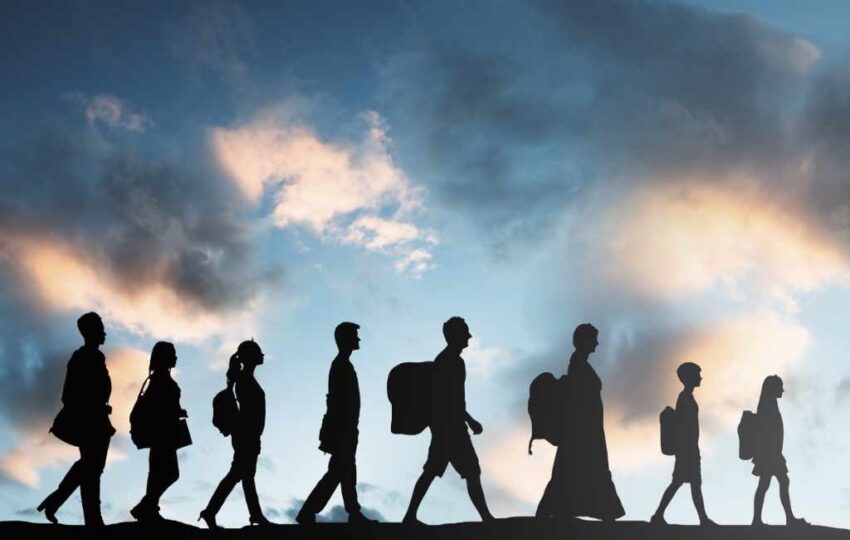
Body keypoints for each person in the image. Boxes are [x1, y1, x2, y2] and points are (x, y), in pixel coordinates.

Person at [402, 317, 494, 524]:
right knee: (471, 470)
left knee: (432, 471)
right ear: (455, 335)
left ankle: (409, 516)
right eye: (465, 332)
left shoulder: (446, 360)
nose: (469, 336)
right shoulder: (449, 361)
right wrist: (470, 420)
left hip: (444, 427)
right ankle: (486, 517)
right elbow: (450, 398)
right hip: (450, 428)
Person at [537, 323, 624, 521]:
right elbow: (577, 399)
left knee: (573, 470)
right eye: (594, 338)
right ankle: (606, 512)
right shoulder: (577, 364)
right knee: (573, 470)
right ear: (584, 340)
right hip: (582, 431)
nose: (597, 343)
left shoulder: (579, 363)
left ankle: (602, 511)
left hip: (588, 429)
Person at [38, 312, 115, 526]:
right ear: (89, 331)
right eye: (100, 327)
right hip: (90, 420)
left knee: (91, 467)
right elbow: (68, 394)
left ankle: (59, 503)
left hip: (98, 418)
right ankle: (91, 518)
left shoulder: (96, 357)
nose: (104, 332)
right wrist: (91, 406)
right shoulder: (82, 357)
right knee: (92, 467)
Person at [296, 323, 375, 525]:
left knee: (342, 472)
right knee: (342, 471)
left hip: (346, 428)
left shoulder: (343, 364)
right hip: (343, 429)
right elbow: (337, 402)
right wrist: (344, 429)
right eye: (355, 336)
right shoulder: (340, 365)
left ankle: (347, 512)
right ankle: (347, 512)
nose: (359, 340)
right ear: (346, 339)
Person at [199, 340, 273, 528]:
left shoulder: (243, 378)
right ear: (250, 357)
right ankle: (253, 515)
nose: (262, 355)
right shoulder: (244, 380)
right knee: (242, 475)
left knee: (240, 475)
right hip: (246, 436)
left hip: (248, 435)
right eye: (258, 352)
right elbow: (248, 411)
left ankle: (212, 512)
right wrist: (252, 435)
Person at [130, 341, 188, 522]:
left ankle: (148, 507)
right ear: (164, 357)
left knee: (160, 473)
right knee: (167, 473)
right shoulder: (159, 380)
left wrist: (177, 411)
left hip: (165, 433)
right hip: (162, 434)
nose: (176, 357)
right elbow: (158, 407)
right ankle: (146, 507)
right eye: (173, 354)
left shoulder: (160, 378)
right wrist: (175, 411)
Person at [651, 363, 715, 525]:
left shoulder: (686, 397)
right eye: (698, 374)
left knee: (687, 483)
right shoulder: (685, 398)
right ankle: (702, 519)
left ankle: (660, 515)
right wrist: (690, 449)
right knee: (687, 483)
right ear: (689, 377)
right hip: (687, 450)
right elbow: (686, 426)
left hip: (689, 449)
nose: (700, 377)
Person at [751, 375, 807, 527]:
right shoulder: (767, 405)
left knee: (773, 483)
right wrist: (772, 452)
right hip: (770, 454)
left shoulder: (769, 403)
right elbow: (767, 431)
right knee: (768, 484)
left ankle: (784, 518)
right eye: (779, 386)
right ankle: (761, 520)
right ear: (772, 388)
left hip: (773, 453)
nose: (782, 390)